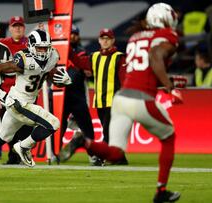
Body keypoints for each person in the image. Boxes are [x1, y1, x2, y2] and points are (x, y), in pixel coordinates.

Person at [84, 3, 182, 202]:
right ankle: (161, 191)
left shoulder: (135, 37)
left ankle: (84, 142)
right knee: (169, 138)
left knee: (115, 153)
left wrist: (167, 81)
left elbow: (143, 70)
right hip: (141, 99)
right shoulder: (167, 36)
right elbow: (155, 58)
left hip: (120, 99)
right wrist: (171, 88)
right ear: (165, 18)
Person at [0, 29, 72, 182]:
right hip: (18, 102)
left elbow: (48, 73)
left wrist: (61, 80)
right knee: (53, 123)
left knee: (1, 138)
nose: (43, 51)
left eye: (45, 47)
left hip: (26, 102)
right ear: (30, 46)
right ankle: (23, 146)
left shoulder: (52, 56)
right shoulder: (23, 59)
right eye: (39, 48)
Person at [69, 28, 128, 165]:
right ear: (99, 40)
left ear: (113, 40)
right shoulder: (94, 57)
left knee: (108, 130)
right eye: (103, 38)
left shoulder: (119, 57)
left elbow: (124, 79)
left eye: (108, 38)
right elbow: (79, 62)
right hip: (100, 101)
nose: (105, 40)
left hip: (115, 101)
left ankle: (104, 156)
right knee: (109, 129)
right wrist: (68, 50)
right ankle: (120, 158)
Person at [58, 24, 96, 164]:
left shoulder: (81, 52)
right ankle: (55, 152)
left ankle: (93, 155)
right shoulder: (59, 51)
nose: (72, 36)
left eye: (75, 34)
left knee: (87, 127)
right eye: (70, 33)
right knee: (59, 127)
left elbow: (86, 71)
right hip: (62, 96)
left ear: (78, 36)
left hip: (77, 95)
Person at [0, 16, 33, 164]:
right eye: (14, 26)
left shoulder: (30, 43)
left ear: (24, 28)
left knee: (25, 127)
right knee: (8, 127)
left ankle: (20, 154)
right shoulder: (3, 44)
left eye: (20, 26)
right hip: (6, 92)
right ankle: (13, 156)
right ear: (10, 28)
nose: (17, 28)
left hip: (25, 92)